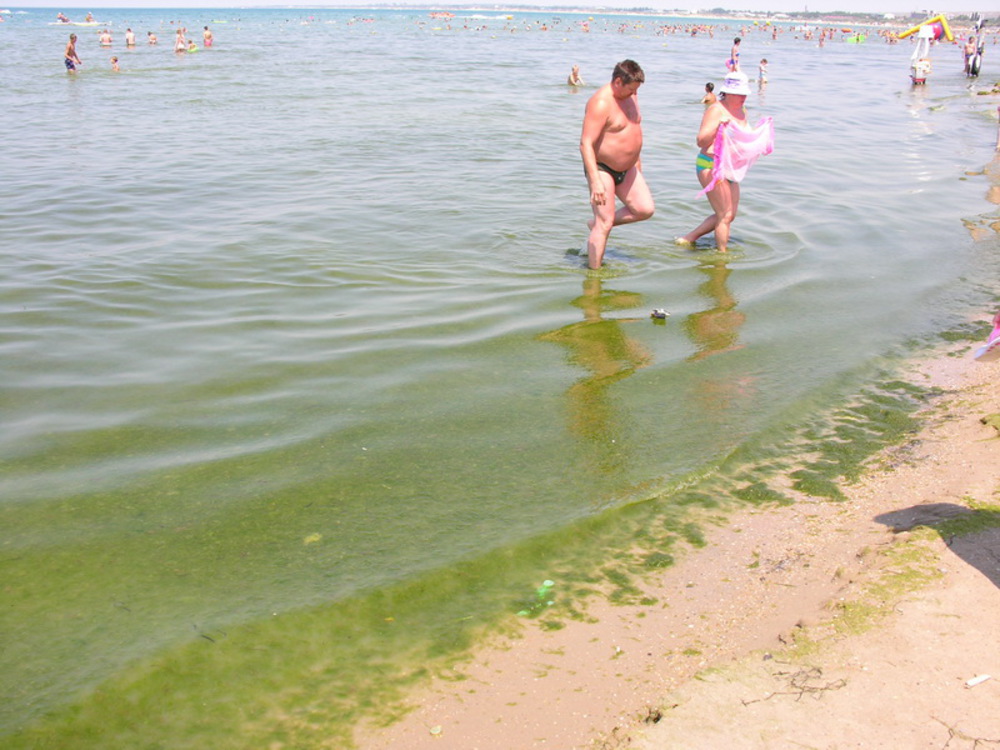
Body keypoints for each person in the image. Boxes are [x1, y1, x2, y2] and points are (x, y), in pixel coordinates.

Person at [676, 71, 769, 253]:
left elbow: (742, 137)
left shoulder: (743, 111)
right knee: (724, 215)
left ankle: (688, 238)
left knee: (729, 215)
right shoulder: (716, 110)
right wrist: (719, 126)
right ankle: (722, 257)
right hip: (710, 165)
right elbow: (701, 141)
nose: (743, 97)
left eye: (745, 94)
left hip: (731, 167)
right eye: (739, 94)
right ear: (727, 92)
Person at [579, 59, 655, 269]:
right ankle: (594, 276)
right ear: (618, 82)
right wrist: (595, 181)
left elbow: (634, 127)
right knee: (605, 224)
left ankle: (598, 222)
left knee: (644, 209)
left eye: (636, 90)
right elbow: (585, 143)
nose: (633, 94)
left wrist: (637, 160)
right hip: (603, 168)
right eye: (630, 89)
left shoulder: (632, 95)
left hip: (628, 168)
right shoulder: (601, 103)